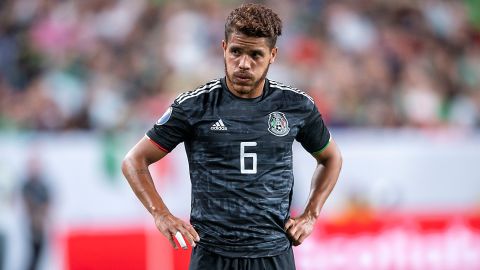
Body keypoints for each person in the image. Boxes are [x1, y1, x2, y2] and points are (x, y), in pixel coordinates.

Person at [122, 3, 342, 269]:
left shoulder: (296, 106)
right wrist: (161, 214)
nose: (243, 64)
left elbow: (331, 158)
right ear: (224, 48)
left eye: (255, 55)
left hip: (272, 254)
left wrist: (311, 214)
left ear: (272, 55)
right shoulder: (194, 106)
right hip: (213, 255)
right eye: (236, 52)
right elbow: (134, 161)